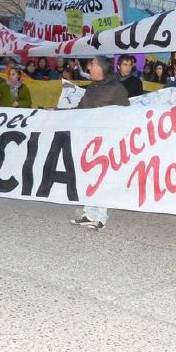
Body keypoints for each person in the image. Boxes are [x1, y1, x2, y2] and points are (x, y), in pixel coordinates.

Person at [70, 56, 130, 230]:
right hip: (88, 139)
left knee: (101, 177)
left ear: (101, 68)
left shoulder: (116, 89)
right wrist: (56, 113)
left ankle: (101, 217)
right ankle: (89, 213)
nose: (89, 67)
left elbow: (125, 116)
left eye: (92, 64)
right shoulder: (91, 88)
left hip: (107, 140)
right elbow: (79, 111)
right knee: (88, 176)